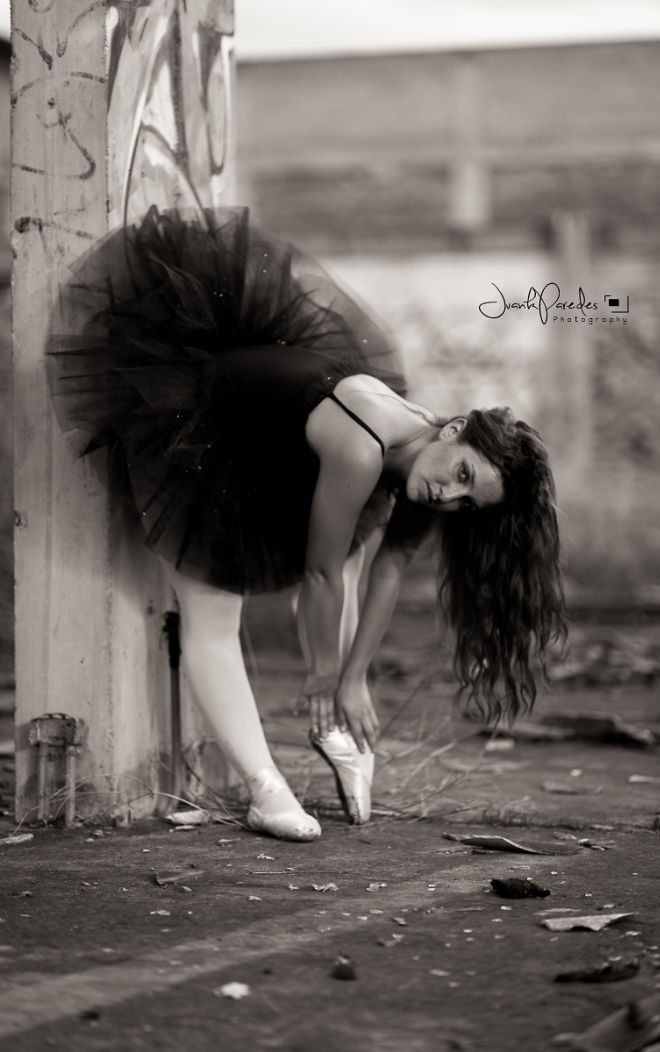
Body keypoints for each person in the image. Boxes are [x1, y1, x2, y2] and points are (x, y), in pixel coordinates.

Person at [46, 206, 567, 842]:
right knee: (214, 615)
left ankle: (338, 733)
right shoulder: (367, 445)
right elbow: (318, 575)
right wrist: (322, 677)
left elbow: (389, 568)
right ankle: (268, 790)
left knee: (354, 555)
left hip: (280, 449)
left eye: (467, 502)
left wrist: (353, 680)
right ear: (453, 429)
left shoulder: (423, 472)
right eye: (460, 475)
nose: (449, 496)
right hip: (203, 422)